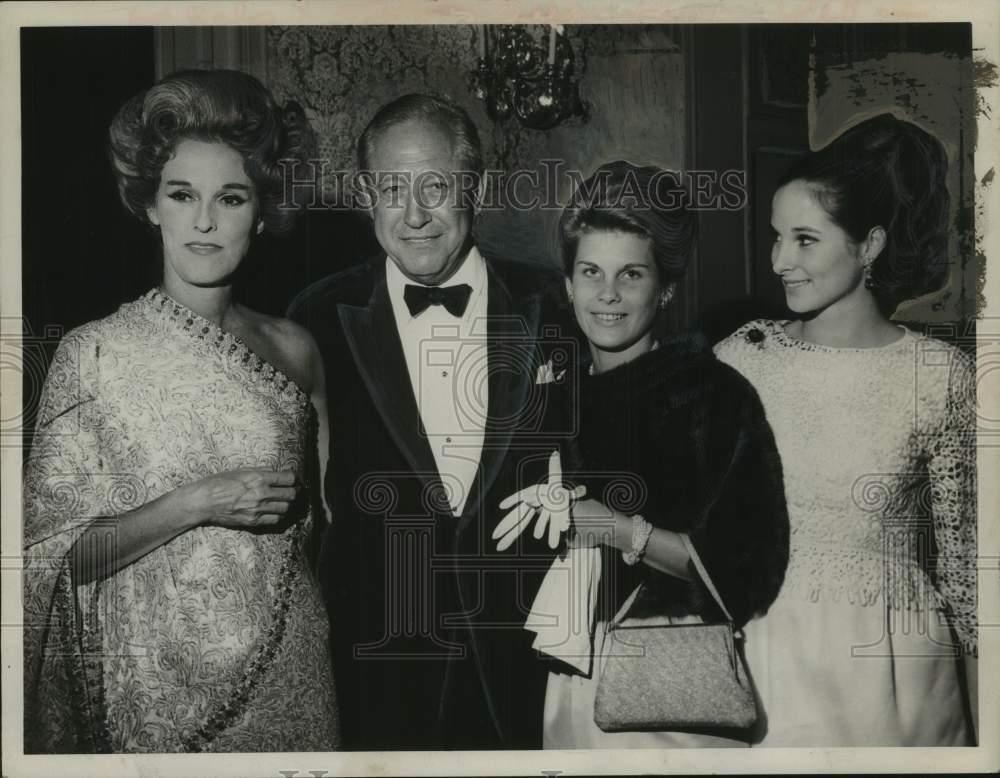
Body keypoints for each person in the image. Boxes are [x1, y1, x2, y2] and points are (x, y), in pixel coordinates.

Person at [23, 69, 340, 753]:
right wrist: (197, 502)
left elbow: (324, 529)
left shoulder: (297, 350)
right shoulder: (92, 354)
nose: (203, 221)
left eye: (230, 197)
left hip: (293, 676)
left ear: (262, 210)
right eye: (181, 194)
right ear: (148, 205)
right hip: (153, 701)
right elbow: (57, 559)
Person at [287, 93, 575, 750]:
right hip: (375, 660)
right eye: (392, 188)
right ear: (365, 194)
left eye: (436, 187)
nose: (414, 214)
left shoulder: (555, 302)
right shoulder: (316, 315)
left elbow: (606, 447)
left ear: (475, 187)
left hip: (525, 654)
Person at [497, 161, 790, 748]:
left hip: (670, 682)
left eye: (631, 274)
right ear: (568, 284)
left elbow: (749, 572)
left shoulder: (713, 395)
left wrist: (614, 527)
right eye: (591, 272)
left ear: (667, 288)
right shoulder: (548, 393)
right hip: (566, 679)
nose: (607, 294)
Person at [714, 113, 978, 746]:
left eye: (805, 240)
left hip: (899, 678)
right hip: (768, 663)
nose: (779, 261)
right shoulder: (740, 359)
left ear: (870, 246)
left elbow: (967, 574)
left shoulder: (941, 376)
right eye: (776, 237)